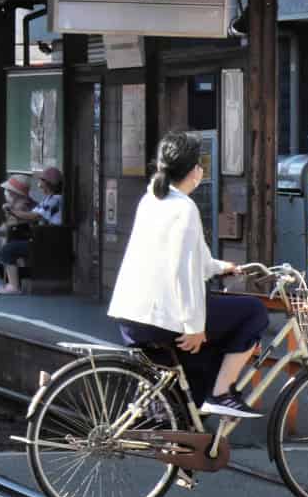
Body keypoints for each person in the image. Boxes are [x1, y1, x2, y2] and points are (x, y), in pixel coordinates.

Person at [108, 131, 268, 419]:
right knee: (254, 311)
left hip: (130, 315)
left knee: (201, 358)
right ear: (195, 171)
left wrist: (222, 267)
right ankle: (222, 394)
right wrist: (193, 325)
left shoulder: (151, 200)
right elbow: (182, 270)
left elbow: (194, 259)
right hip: (160, 317)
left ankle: (183, 434)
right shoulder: (185, 207)